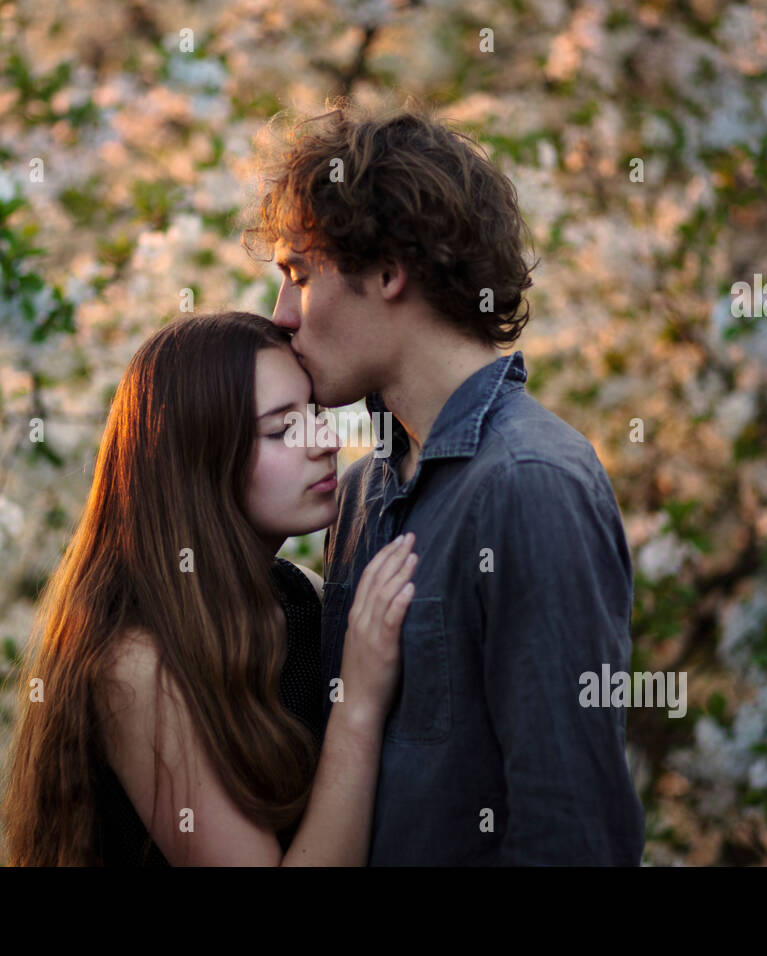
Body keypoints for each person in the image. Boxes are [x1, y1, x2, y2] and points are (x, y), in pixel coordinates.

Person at [242, 100, 646, 864]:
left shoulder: (529, 484)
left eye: (298, 275)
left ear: (390, 270)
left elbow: (573, 833)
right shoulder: (361, 495)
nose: (281, 315)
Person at [1, 311, 419, 865]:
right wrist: (359, 706)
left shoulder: (297, 598)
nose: (326, 441)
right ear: (199, 463)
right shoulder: (135, 665)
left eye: (314, 412)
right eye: (280, 429)